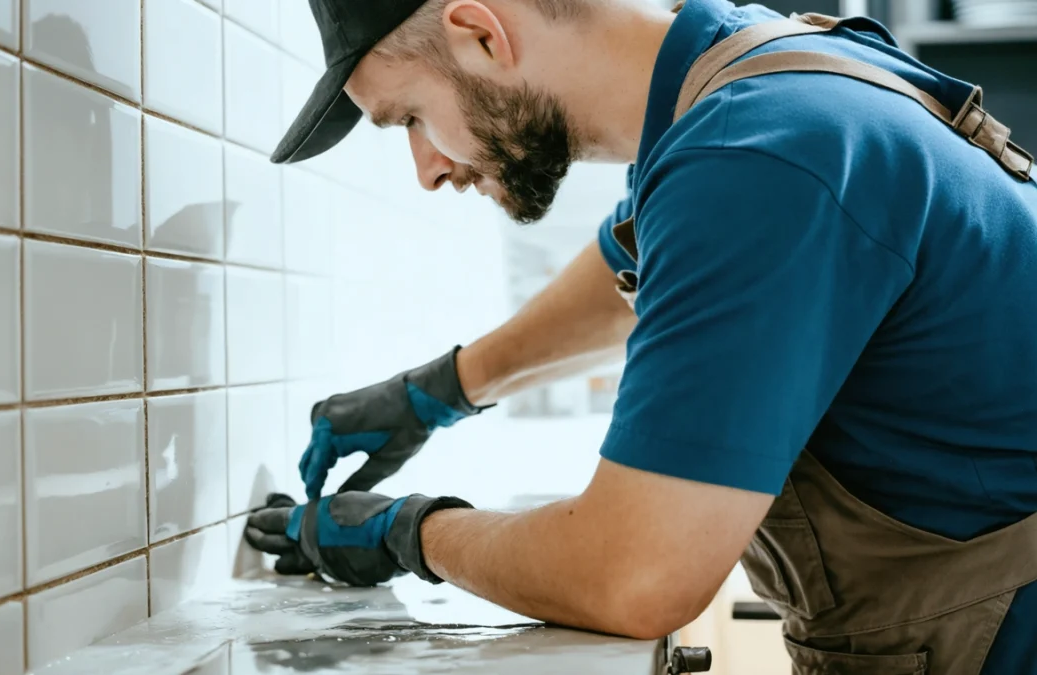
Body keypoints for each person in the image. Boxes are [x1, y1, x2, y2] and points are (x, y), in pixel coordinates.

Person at [243, 1, 1037, 672]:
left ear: (481, 33)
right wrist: (441, 389)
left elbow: (635, 572)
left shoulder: (756, 155)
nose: (426, 168)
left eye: (410, 116)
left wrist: (409, 530)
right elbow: (628, 272)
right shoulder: (760, 75)